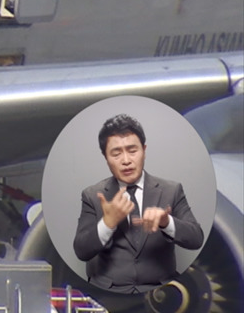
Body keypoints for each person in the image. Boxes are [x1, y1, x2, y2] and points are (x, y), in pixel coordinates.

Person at [72, 113, 204, 293]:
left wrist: (167, 222)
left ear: (144, 150)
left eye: (132, 151)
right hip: (109, 294)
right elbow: (81, 250)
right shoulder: (93, 195)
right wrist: (107, 223)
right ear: (105, 157)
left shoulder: (171, 190)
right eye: (116, 154)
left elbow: (196, 238)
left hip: (162, 293)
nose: (126, 161)